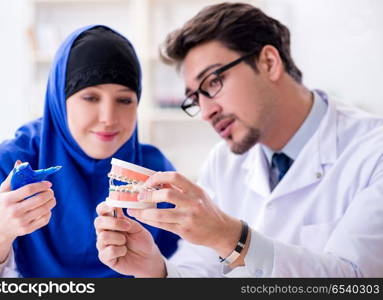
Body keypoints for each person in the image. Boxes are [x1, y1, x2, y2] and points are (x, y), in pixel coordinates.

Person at [94, 2, 383, 277]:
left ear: (269, 62)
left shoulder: (373, 153)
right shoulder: (224, 161)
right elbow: (201, 272)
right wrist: (156, 271)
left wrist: (232, 238)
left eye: (213, 83)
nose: (207, 112)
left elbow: (358, 280)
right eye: (195, 99)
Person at [0, 25, 179, 277]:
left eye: (124, 100)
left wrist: (156, 270)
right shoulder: (13, 163)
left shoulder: (155, 172)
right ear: (60, 99)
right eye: (90, 98)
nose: (108, 118)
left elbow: (194, 271)